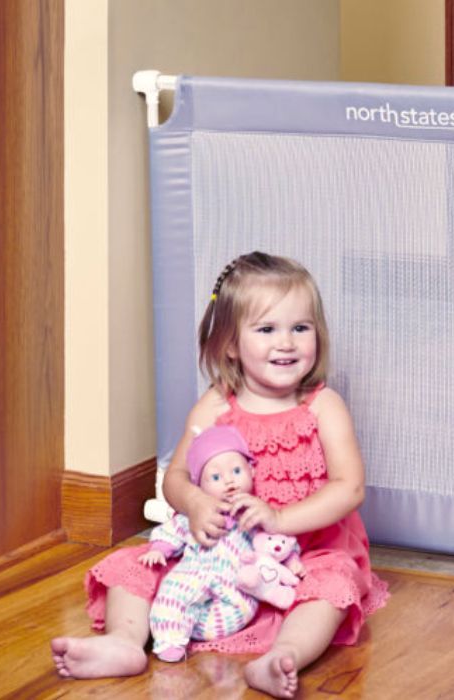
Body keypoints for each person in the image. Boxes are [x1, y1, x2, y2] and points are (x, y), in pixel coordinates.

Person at [51, 251, 389, 699]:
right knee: (134, 565)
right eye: (267, 329)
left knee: (330, 589)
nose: (286, 343)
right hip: (219, 551)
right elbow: (175, 478)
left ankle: (280, 656)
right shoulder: (216, 404)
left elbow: (350, 487)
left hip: (303, 551)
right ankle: (124, 640)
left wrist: (281, 519)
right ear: (230, 343)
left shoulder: (322, 406)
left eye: (300, 328)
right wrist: (195, 504)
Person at [141, 423, 298, 663]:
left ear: (252, 471)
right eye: (215, 477)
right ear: (200, 486)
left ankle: (192, 629)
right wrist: (159, 549)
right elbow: (172, 531)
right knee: (172, 592)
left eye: (236, 471)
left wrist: (291, 559)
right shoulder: (196, 514)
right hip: (194, 573)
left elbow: (276, 542)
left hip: (236, 584)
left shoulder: (254, 513)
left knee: (240, 608)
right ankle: (170, 639)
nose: (229, 481)